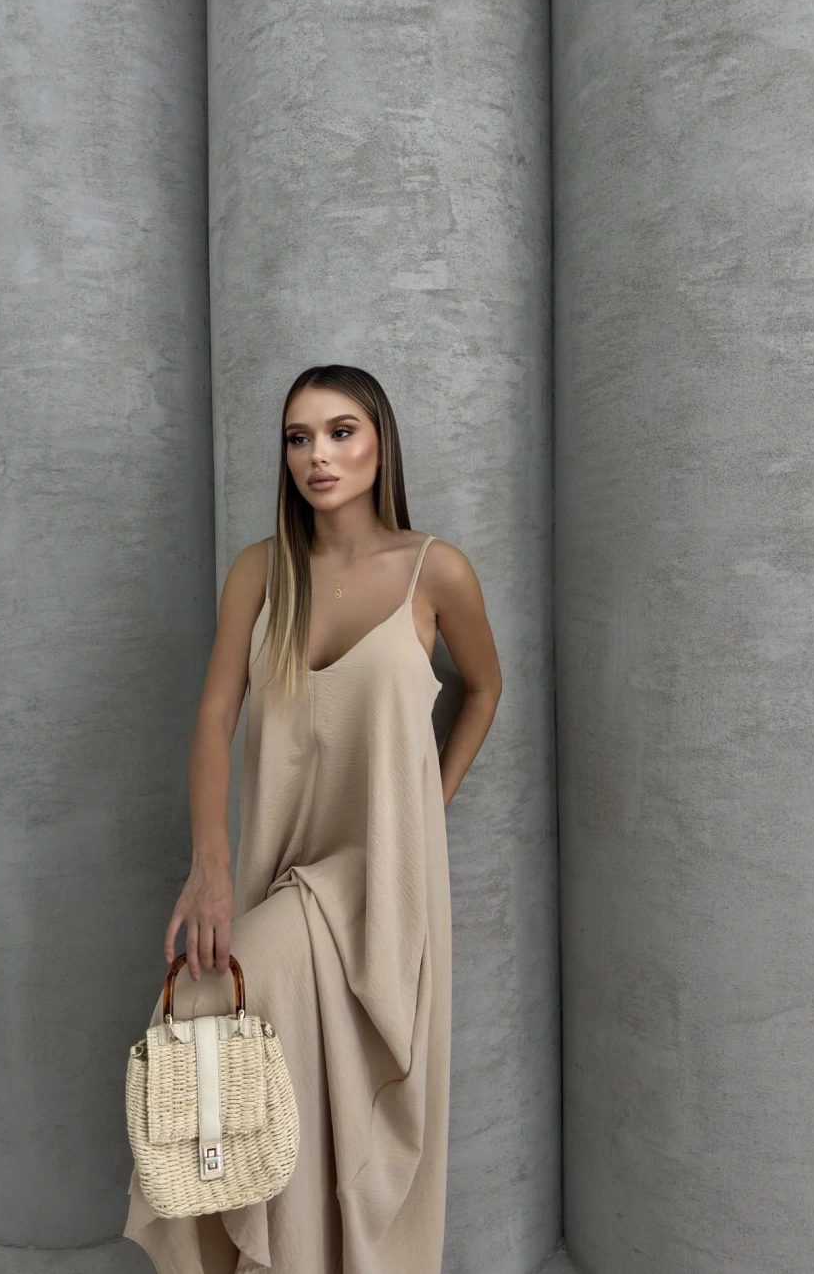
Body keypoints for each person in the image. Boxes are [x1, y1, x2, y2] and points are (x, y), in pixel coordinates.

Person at [124, 365, 502, 1273]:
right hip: (282, 867)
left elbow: (485, 689)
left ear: (379, 444)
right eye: (299, 437)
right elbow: (215, 715)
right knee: (231, 1025)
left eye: (340, 432)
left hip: (382, 884)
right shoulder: (262, 571)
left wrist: (426, 809)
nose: (317, 455)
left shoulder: (435, 570)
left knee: (244, 1021)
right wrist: (210, 863)